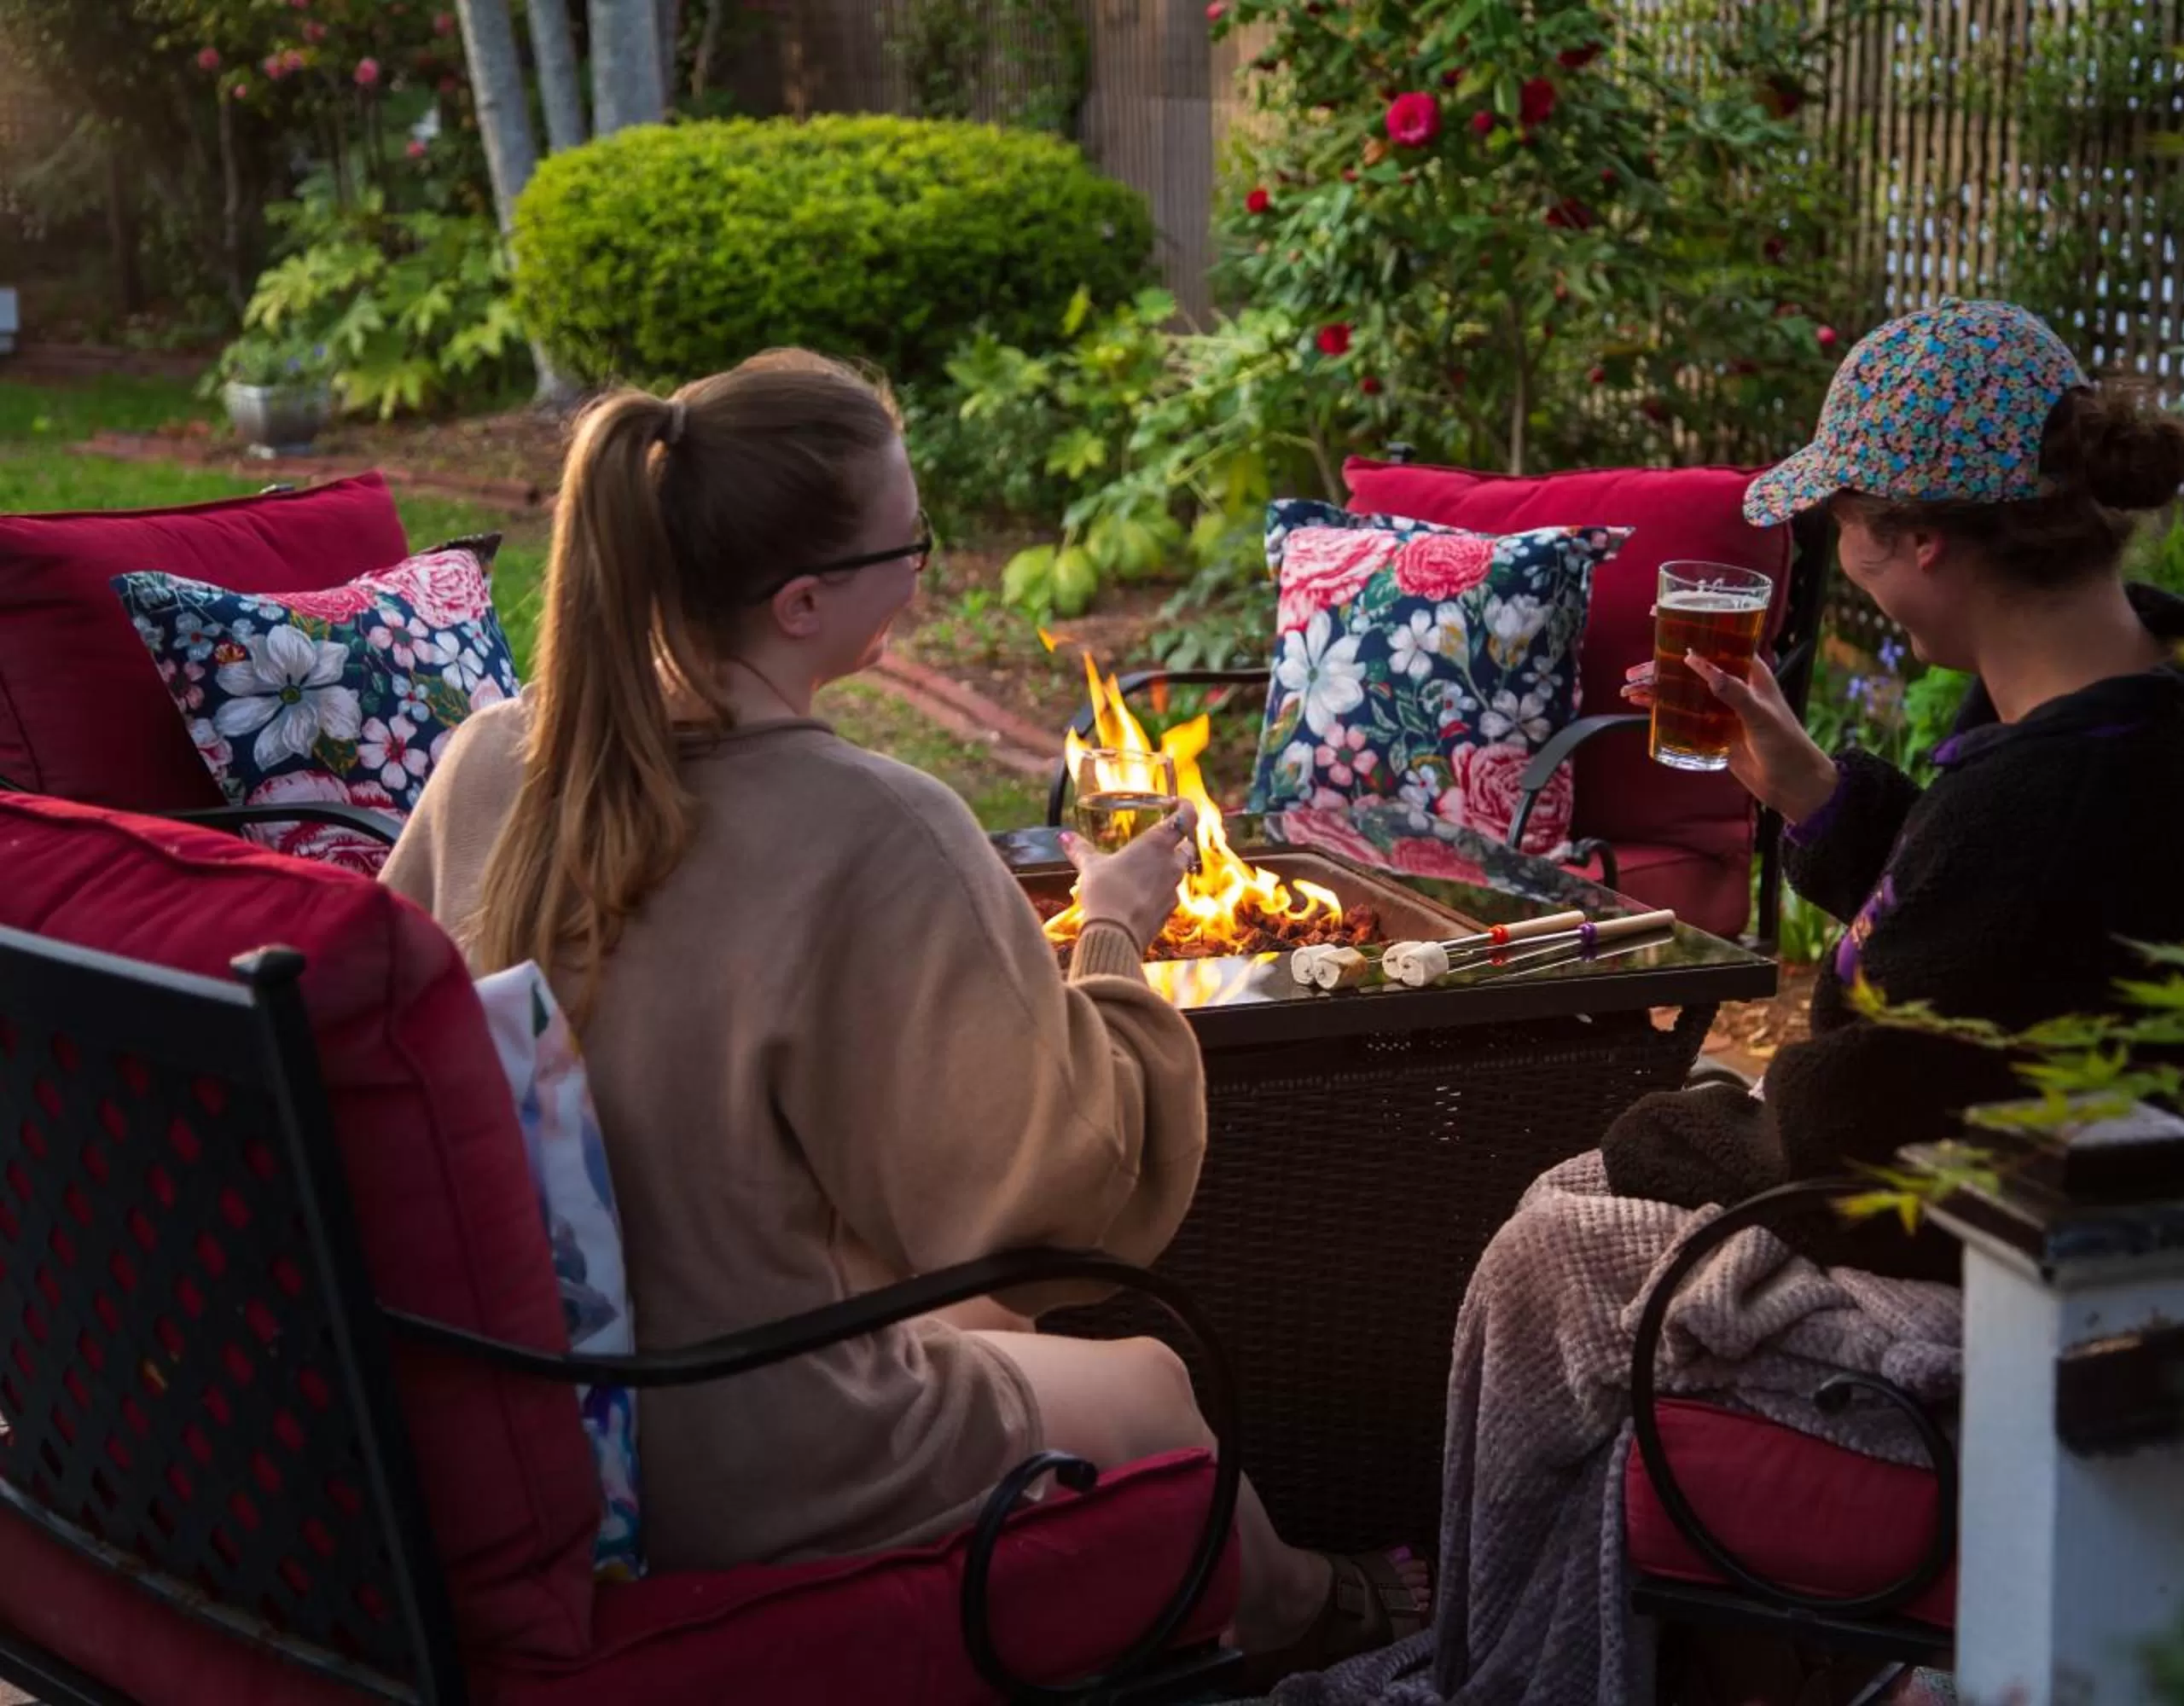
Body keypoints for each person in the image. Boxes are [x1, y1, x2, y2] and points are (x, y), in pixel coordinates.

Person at [380, 349, 1424, 1665]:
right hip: (728, 1445)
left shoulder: (489, 761)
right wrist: (1110, 931)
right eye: (911, 546)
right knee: (1153, 1383)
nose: (926, 571)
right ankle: (1306, 1618)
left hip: (535, 1389)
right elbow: (1058, 1195)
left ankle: (1289, 1599)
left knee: (975, 1318)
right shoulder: (877, 829)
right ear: (804, 602)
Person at [1607, 299, 2184, 1279]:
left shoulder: (2045, 798)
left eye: (1845, 522)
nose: (1848, 558)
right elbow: (2002, 936)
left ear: (1924, 538)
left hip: (2062, 1268)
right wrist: (1818, 797)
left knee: (1560, 1224)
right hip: (2167, 1205)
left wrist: (1657, 1125)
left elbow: (1839, 1132)